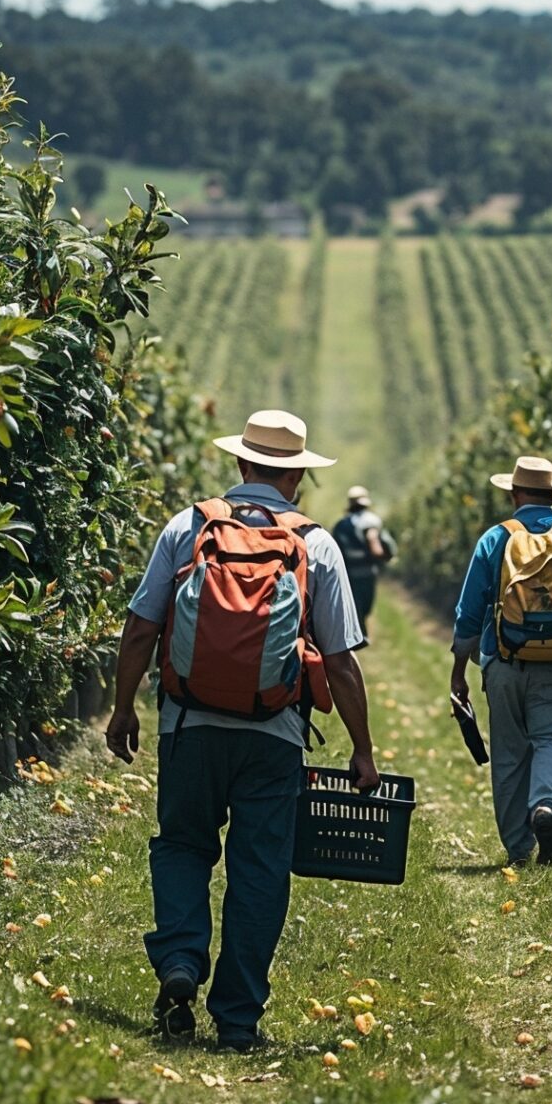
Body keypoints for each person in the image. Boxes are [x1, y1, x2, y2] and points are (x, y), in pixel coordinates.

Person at [105, 409, 379, 1052]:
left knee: (182, 846)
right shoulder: (315, 544)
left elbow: (142, 626)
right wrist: (363, 750)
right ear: (298, 477)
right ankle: (236, 1020)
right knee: (259, 869)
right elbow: (339, 660)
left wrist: (122, 709)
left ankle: (179, 960)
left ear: (240, 463)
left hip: (189, 725)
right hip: (273, 734)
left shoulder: (188, 526)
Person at [449, 456, 552, 865]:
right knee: (551, 743)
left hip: (505, 663)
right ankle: (545, 807)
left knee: (509, 753)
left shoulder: (495, 539)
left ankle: (519, 849)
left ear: (514, 493)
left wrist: (458, 672)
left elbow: (469, 613)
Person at [330, 485, 396, 634]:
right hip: (367, 572)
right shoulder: (370, 520)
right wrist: (382, 557)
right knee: (365, 606)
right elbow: (375, 546)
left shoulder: (341, 525)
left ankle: (357, 634)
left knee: (355, 606)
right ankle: (360, 635)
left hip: (349, 574)